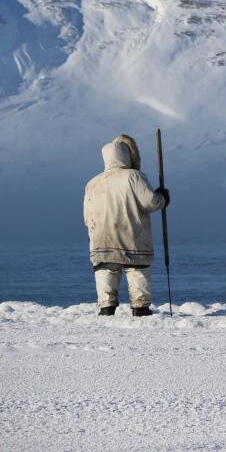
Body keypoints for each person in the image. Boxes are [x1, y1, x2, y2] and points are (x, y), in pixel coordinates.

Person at [83, 134, 170, 317]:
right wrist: (163, 197)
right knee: (137, 270)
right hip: (131, 234)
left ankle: (107, 307)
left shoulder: (93, 182)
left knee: (106, 271)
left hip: (101, 237)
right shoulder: (134, 176)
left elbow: (87, 215)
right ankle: (140, 308)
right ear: (127, 155)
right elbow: (150, 202)